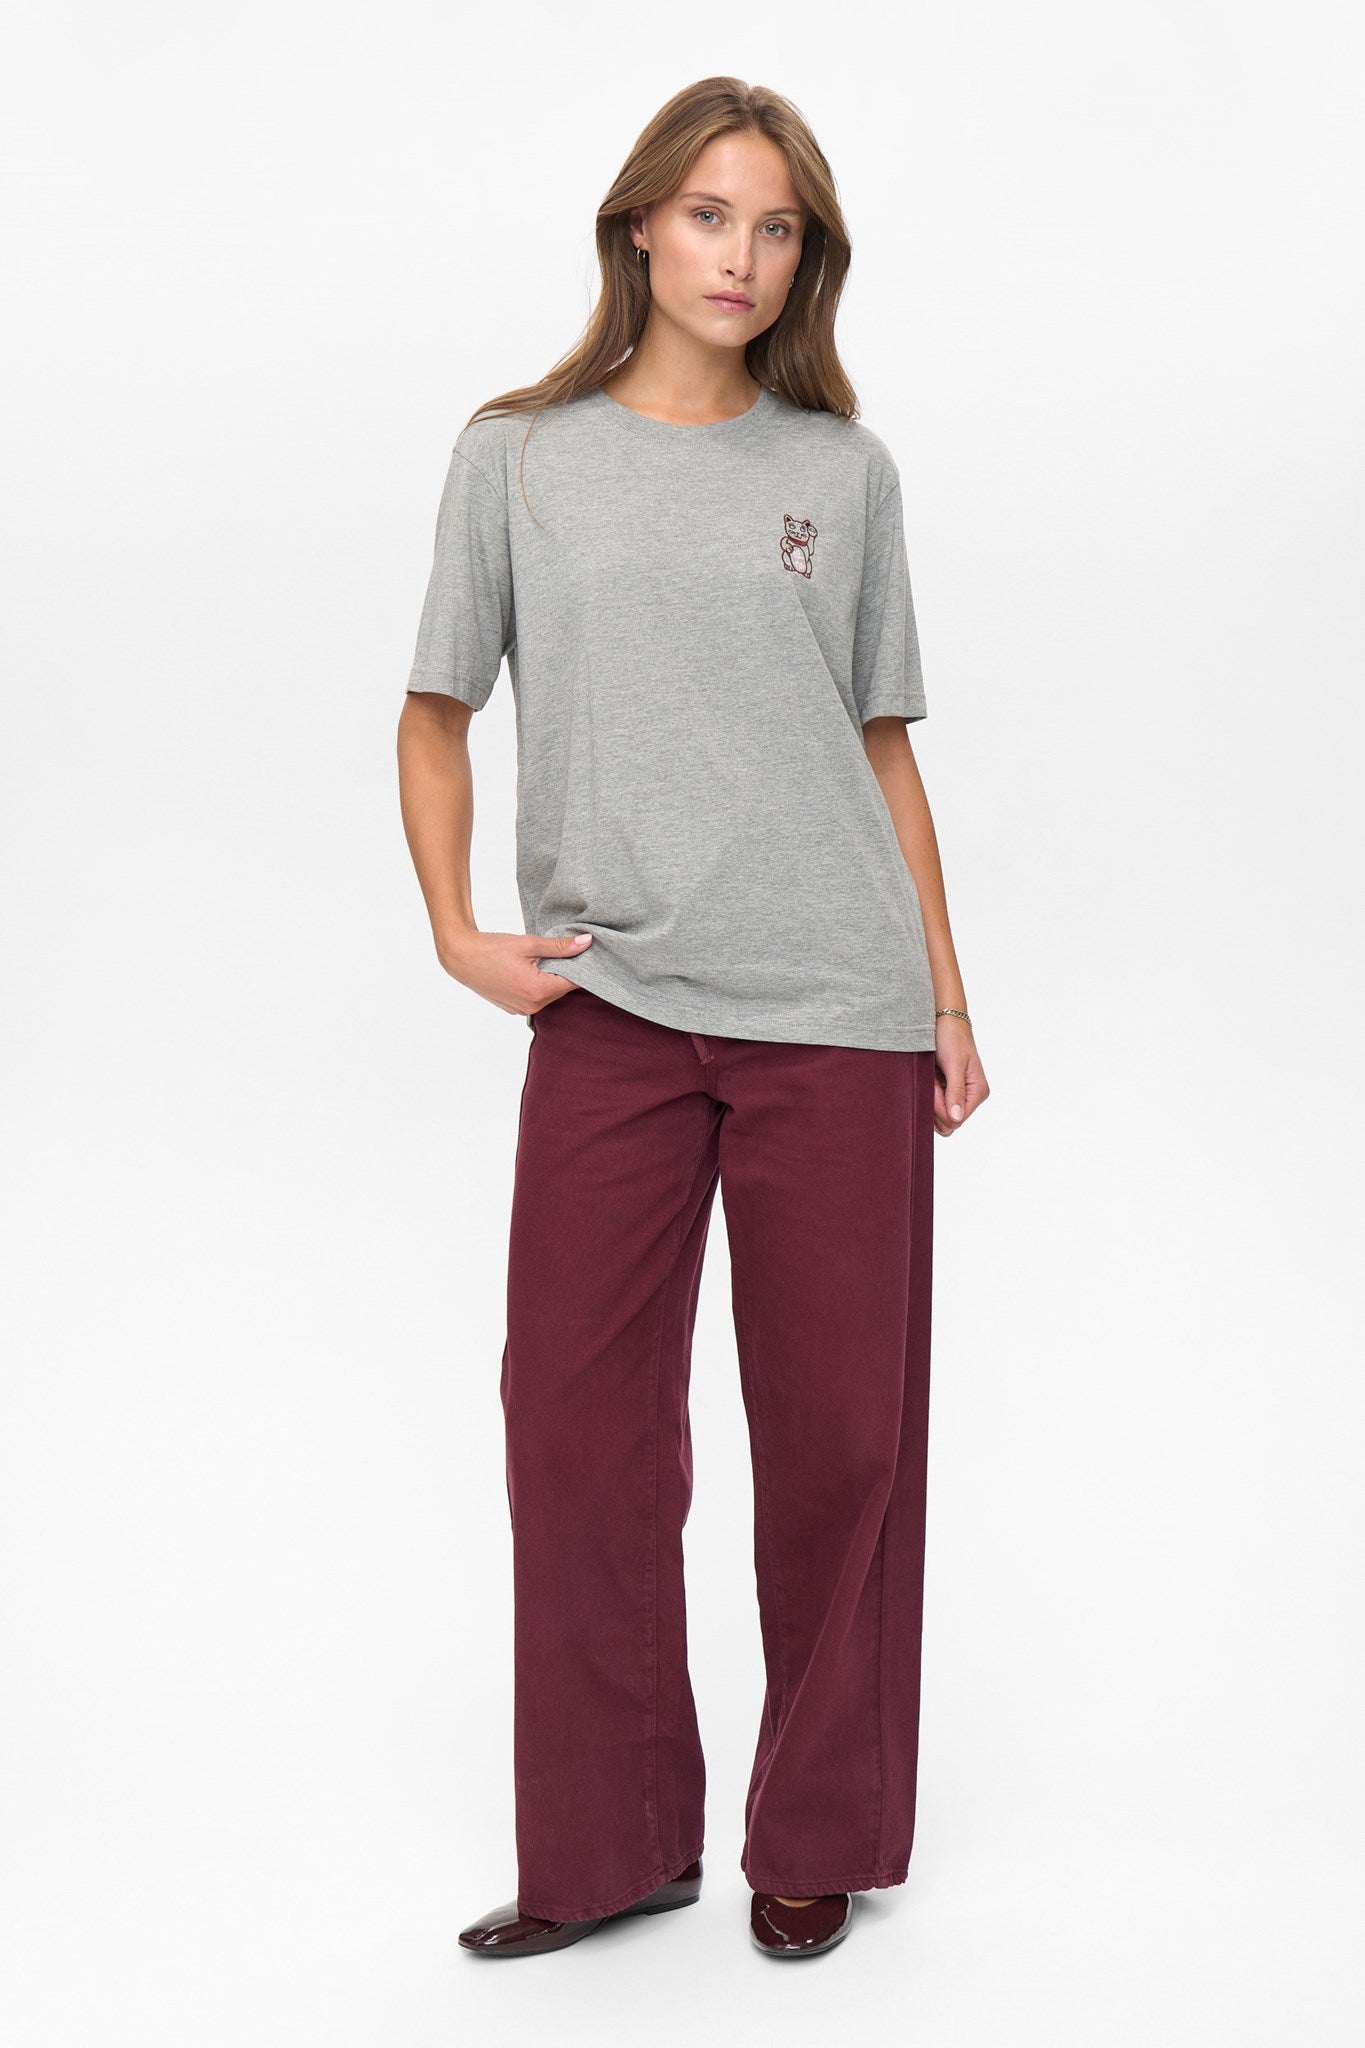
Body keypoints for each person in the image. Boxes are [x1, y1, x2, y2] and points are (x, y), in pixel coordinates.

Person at [396, 74, 989, 1963]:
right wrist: (454, 931)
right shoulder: (518, 456)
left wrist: (944, 997)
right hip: (614, 1005)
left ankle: (814, 1832)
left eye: (778, 227)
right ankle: (609, 1846)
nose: (741, 255)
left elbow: (878, 752)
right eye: (712, 214)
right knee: (572, 1428)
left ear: (804, 260)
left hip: (835, 1007)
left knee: (839, 1444)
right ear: (639, 225)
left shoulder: (843, 473)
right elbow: (434, 708)